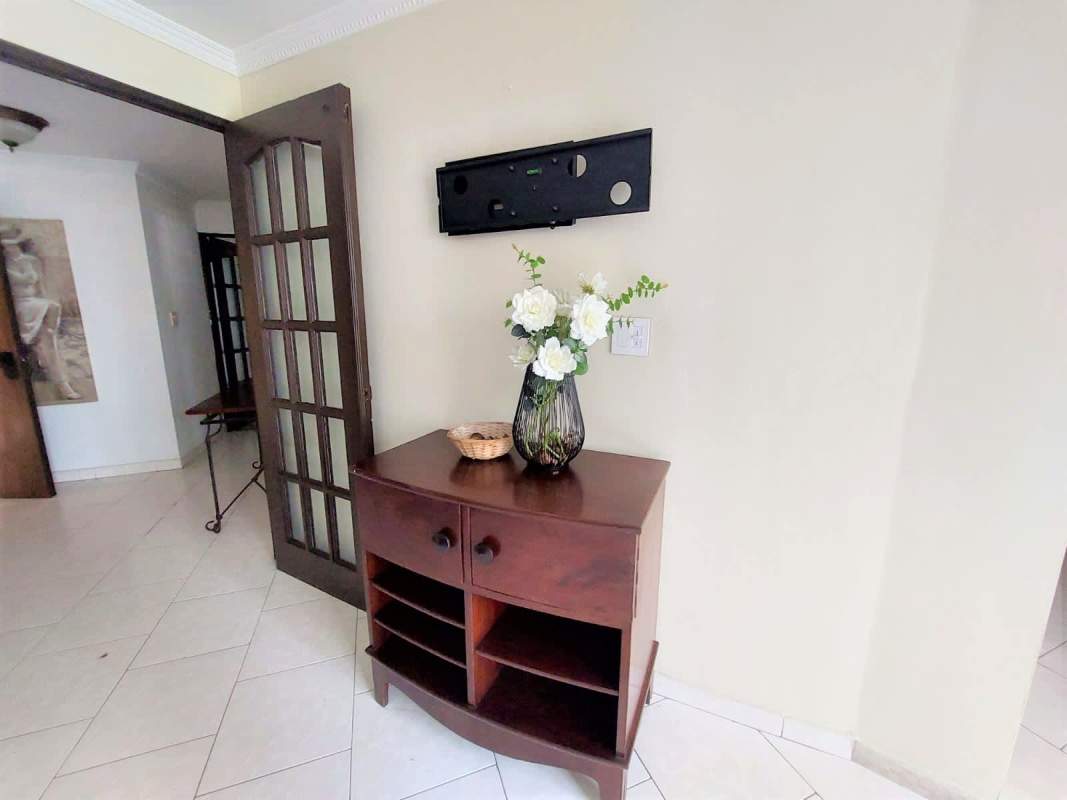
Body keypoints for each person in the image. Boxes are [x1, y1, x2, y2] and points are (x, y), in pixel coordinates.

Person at [0, 225, 81, 400]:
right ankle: (41, 351)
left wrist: (45, 301)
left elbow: (40, 288)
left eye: (12, 244)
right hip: (17, 306)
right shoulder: (4, 265)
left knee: (52, 309)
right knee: (41, 327)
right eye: (5, 245)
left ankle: (58, 373)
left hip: (34, 302)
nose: (9, 248)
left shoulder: (31, 261)